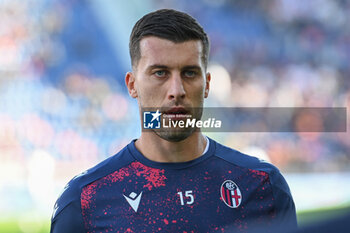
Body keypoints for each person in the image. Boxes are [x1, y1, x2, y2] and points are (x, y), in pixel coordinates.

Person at [50, 9, 297, 233]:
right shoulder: (85, 201)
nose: (176, 90)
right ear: (132, 85)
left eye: (189, 73)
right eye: (160, 73)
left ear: (207, 85)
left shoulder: (263, 186)